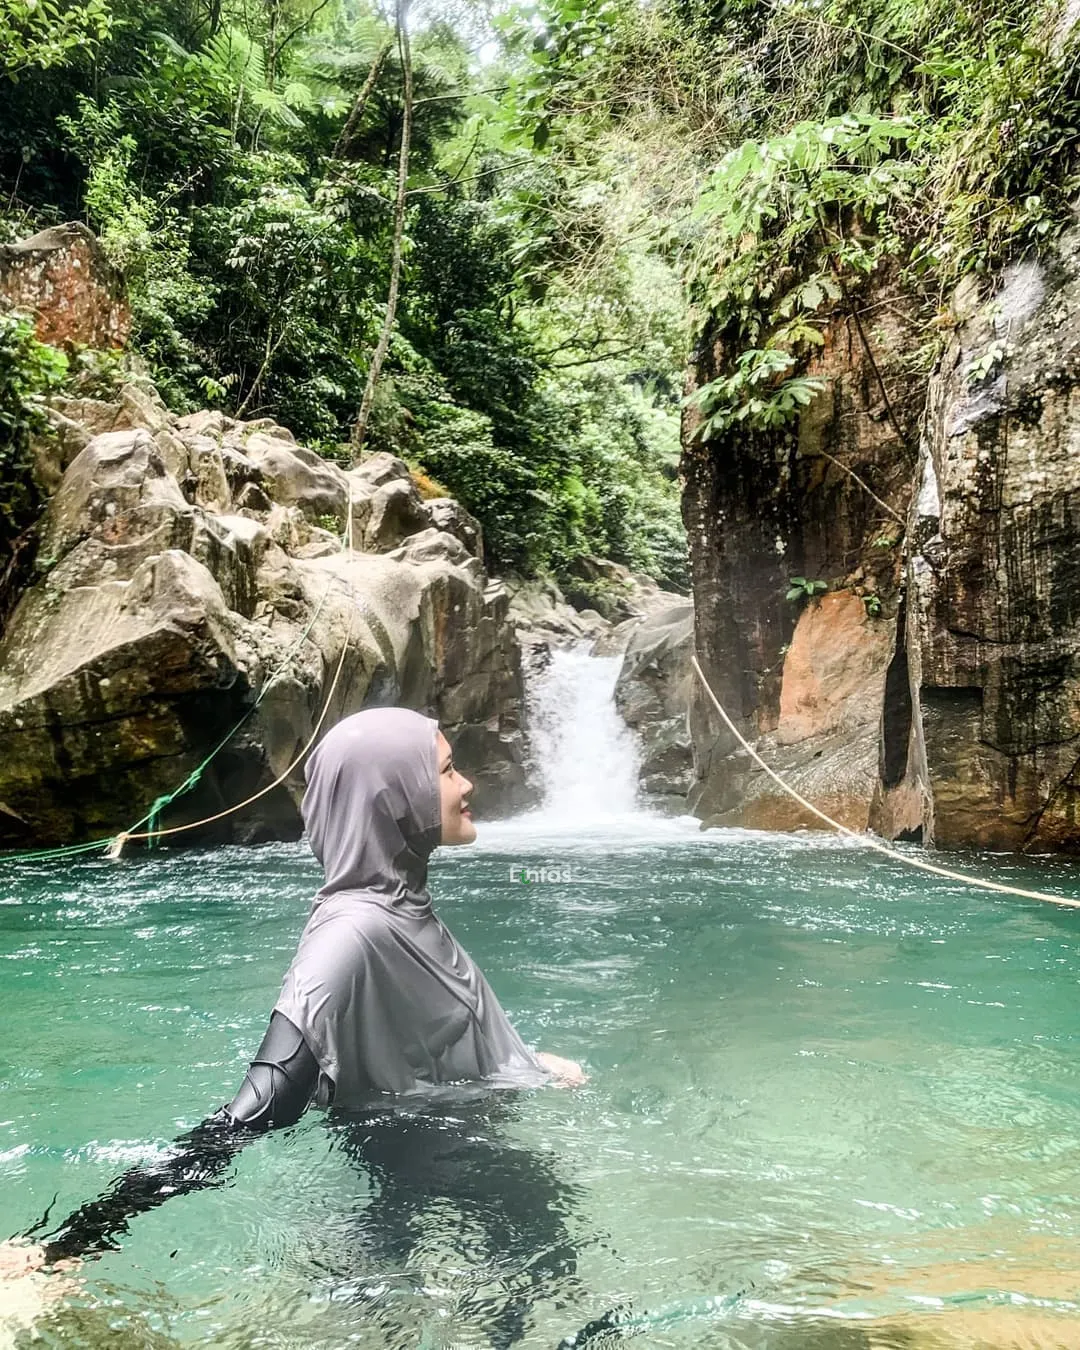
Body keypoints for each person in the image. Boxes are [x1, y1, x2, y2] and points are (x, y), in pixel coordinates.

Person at [3, 707, 585, 1278]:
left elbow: (422, 1036)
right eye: (447, 770)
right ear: (394, 797)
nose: (467, 784)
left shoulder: (401, 907)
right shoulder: (355, 929)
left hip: (449, 1174)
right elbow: (263, 1103)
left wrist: (523, 1064)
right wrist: (75, 1239)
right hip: (443, 1172)